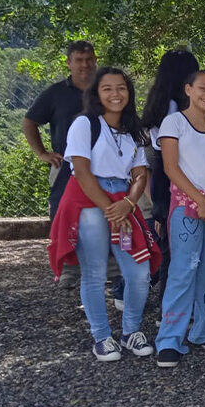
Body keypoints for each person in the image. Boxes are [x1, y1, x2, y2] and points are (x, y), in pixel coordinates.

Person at [48, 67, 159, 361]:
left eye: (121, 88)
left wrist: (129, 204)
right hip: (89, 200)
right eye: (107, 88)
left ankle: (131, 331)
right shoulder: (84, 124)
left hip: (122, 199)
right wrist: (110, 209)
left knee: (139, 271)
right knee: (95, 272)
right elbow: (81, 171)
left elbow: (139, 174)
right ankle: (102, 336)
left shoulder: (133, 128)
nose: (115, 94)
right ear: (96, 93)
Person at [154, 70, 205, 368]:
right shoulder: (174, 123)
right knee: (183, 269)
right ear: (188, 89)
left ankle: (204, 331)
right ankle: (169, 339)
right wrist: (201, 200)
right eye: (203, 88)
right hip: (187, 208)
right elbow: (170, 167)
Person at [23, 40, 97, 289]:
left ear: (95, 60)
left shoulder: (106, 89)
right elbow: (29, 121)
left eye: (89, 59)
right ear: (69, 62)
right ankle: (68, 268)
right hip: (66, 167)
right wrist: (42, 152)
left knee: (105, 211)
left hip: (103, 166)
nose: (85, 65)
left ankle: (108, 268)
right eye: (79, 60)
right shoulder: (56, 93)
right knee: (62, 215)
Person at [139, 49, 199, 312]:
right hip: (176, 187)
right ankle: (170, 310)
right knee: (175, 256)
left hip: (162, 188)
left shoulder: (159, 103)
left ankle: (170, 309)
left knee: (170, 252)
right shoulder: (176, 110)